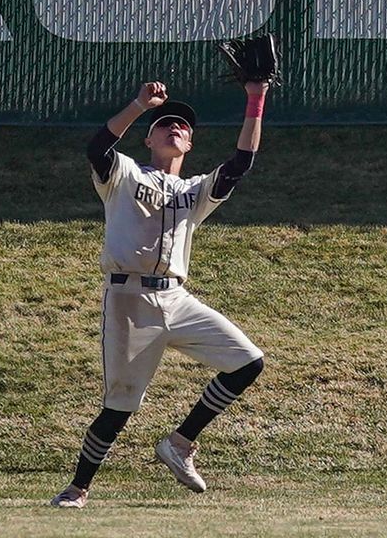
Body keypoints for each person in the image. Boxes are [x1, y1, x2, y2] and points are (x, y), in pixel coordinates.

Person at [50, 80, 269, 509]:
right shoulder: (125, 175)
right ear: (148, 138)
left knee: (247, 362)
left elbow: (241, 162)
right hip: (129, 301)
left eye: (182, 127)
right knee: (120, 406)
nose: (174, 128)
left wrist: (256, 95)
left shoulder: (196, 191)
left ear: (189, 143)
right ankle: (77, 489)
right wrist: (138, 104)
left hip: (177, 298)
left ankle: (180, 443)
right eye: (165, 124)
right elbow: (98, 147)